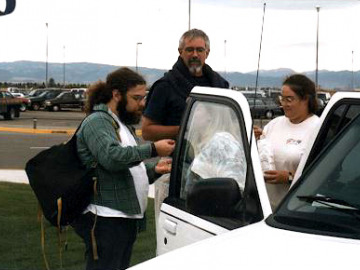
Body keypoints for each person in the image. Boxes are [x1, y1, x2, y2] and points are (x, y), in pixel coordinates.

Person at [71, 67, 175, 270]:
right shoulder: (97, 121)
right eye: (136, 98)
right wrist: (153, 148)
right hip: (106, 220)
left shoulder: (121, 125)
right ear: (116, 95)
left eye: (143, 97)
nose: (142, 104)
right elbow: (112, 158)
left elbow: (129, 170)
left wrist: (155, 170)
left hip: (122, 219)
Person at [142, 28, 229, 141]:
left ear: (207, 53)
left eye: (199, 50)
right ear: (180, 51)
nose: (195, 55)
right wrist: (187, 129)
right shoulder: (165, 86)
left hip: (217, 155)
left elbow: (230, 122)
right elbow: (147, 132)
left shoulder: (220, 85)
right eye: (189, 50)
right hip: (178, 157)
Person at [254, 74, 320, 209]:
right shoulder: (273, 124)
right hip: (265, 206)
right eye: (282, 99)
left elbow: (321, 174)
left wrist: (289, 177)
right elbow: (261, 155)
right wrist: (255, 139)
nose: (283, 104)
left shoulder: (318, 129)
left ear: (306, 99)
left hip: (296, 210)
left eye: (289, 99)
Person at [180, 103, 246, 199]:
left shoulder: (222, 142)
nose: (192, 112)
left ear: (211, 116)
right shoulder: (201, 141)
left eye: (198, 109)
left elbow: (233, 188)